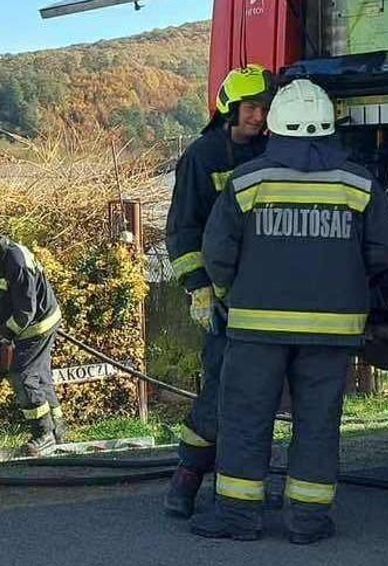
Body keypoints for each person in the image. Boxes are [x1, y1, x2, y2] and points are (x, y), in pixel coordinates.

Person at [189, 79, 388, 544]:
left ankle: (238, 516)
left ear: (277, 126)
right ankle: (308, 520)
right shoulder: (358, 183)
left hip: (256, 328)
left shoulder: (248, 182)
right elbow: (384, 250)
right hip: (332, 330)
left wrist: (227, 291)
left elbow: (218, 253)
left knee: (246, 418)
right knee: (318, 423)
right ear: (329, 126)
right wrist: (346, 277)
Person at [163, 65, 276, 517]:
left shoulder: (272, 151)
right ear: (230, 109)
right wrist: (199, 288)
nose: (258, 117)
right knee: (221, 389)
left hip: (263, 290)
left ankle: (238, 487)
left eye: (264, 109)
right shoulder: (202, 156)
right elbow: (182, 230)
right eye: (250, 108)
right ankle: (186, 480)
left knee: (257, 396)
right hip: (223, 295)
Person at [0, 228, 64, 457]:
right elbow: (7, 301)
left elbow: (25, 311)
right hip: (36, 321)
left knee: (22, 374)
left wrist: (5, 335)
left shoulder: (16, 263)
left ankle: (44, 434)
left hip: (38, 324)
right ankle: (57, 430)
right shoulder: (3, 261)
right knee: (40, 376)